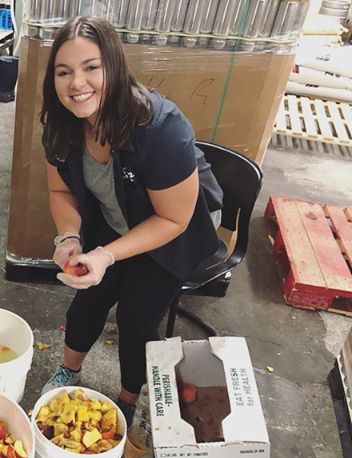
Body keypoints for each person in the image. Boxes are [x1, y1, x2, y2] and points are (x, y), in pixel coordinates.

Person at [40, 16, 223, 419]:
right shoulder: (60, 123)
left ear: (114, 67)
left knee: (136, 317)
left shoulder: (161, 127)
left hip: (176, 228)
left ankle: (126, 402)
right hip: (118, 216)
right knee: (88, 297)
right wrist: (69, 239)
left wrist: (106, 255)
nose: (77, 84)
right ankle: (67, 371)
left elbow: (174, 219)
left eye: (91, 68)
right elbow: (61, 190)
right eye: (64, 72)